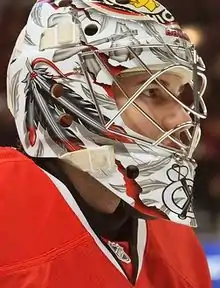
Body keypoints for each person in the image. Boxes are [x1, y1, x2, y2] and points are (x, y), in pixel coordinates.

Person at [0, 0, 211, 287]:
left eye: (178, 94)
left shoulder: (177, 243)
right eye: (151, 91)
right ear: (61, 92)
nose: (180, 118)